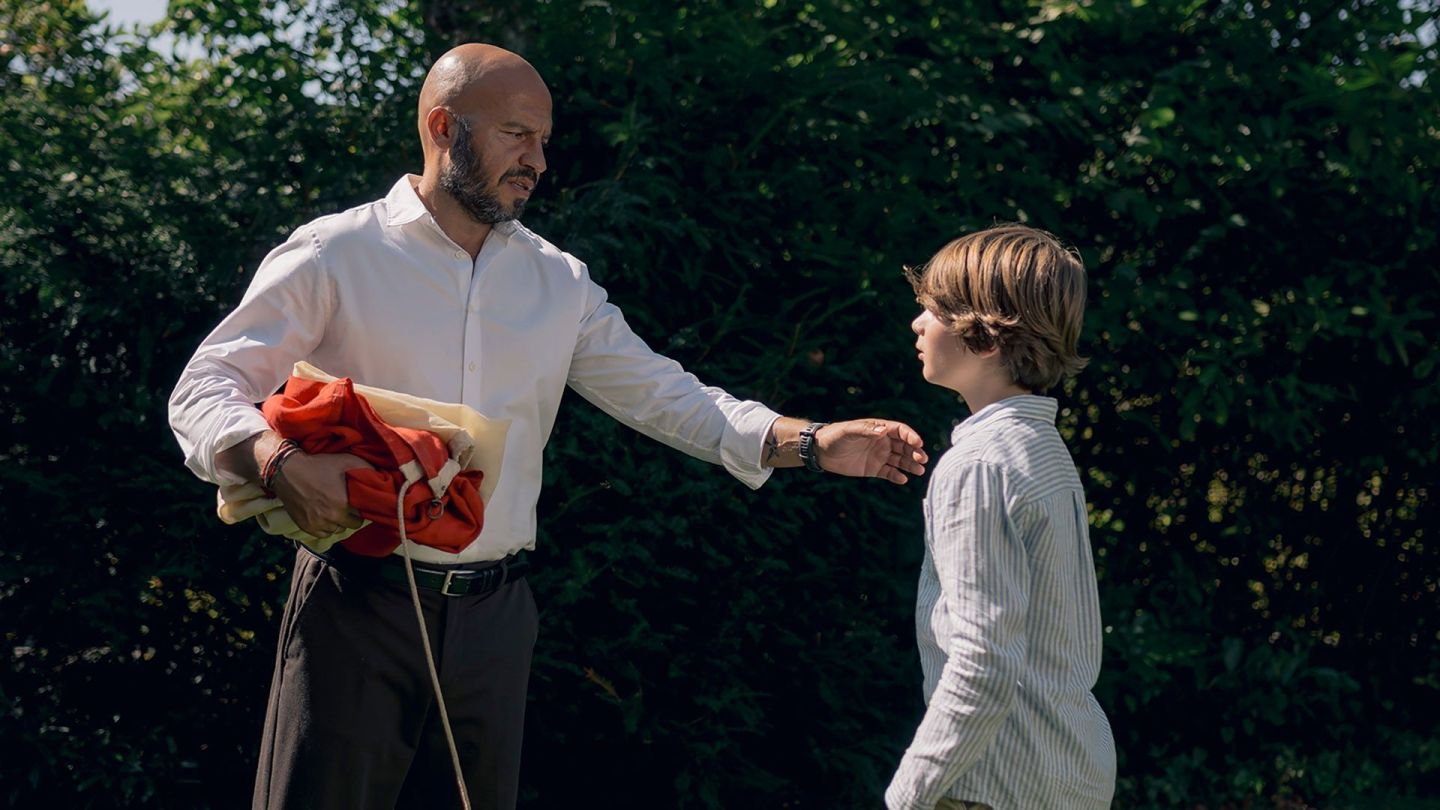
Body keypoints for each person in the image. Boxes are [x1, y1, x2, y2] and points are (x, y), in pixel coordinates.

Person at [167, 43, 928, 810]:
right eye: (515, 135)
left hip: (495, 621)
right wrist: (274, 458)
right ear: (443, 128)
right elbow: (204, 386)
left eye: (543, 141)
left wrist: (804, 441)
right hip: (355, 604)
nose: (537, 161)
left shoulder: (557, 281)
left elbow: (662, 391)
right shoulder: (338, 252)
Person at [884, 225, 1115, 810]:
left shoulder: (978, 465)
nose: (918, 324)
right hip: (1068, 773)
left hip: (995, 786)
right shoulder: (1041, 449)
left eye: (933, 310)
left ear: (984, 337)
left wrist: (908, 796)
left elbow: (983, 660)